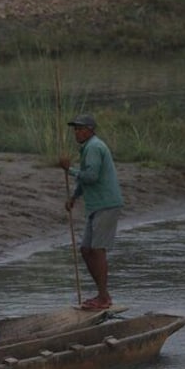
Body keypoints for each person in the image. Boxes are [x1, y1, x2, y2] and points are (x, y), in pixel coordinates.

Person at [58, 113, 124, 310]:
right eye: (75, 129)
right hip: (96, 206)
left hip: (106, 204)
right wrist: (74, 197)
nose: (76, 133)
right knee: (86, 250)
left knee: (97, 250)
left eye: (80, 129)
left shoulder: (94, 147)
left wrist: (69, 170)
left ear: (90, 130)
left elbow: (92, 176)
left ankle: (103, 298)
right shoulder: (88, 147)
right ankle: (103, 295)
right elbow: (86, 177)